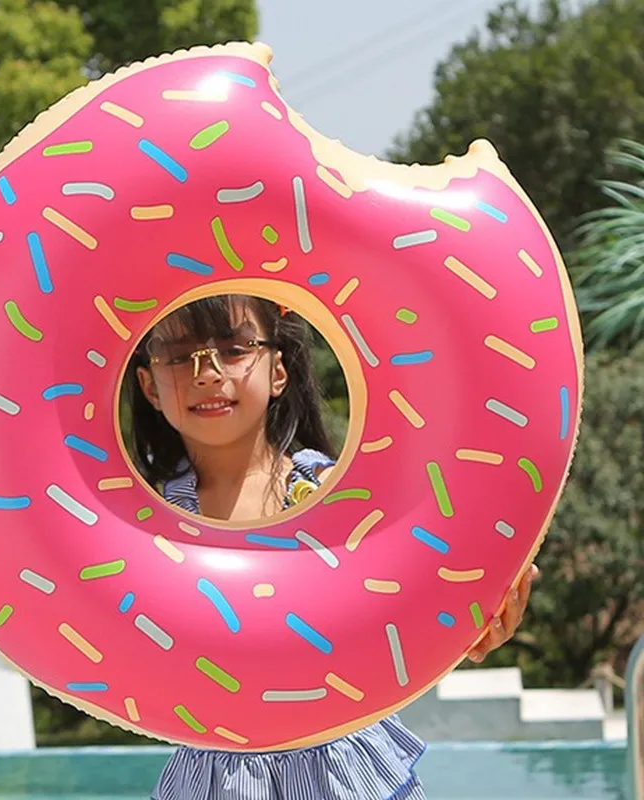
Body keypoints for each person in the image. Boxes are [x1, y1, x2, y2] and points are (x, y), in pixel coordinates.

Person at [123, 293, 540, 800]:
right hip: (215, 779)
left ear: (278, 371)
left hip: (350, 773)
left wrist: (470, 624)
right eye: (180, 354)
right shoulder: (137, 524)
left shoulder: (338, 495)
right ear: (148, 383)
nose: (208, 373)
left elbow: (406, 603)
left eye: (234, 349)